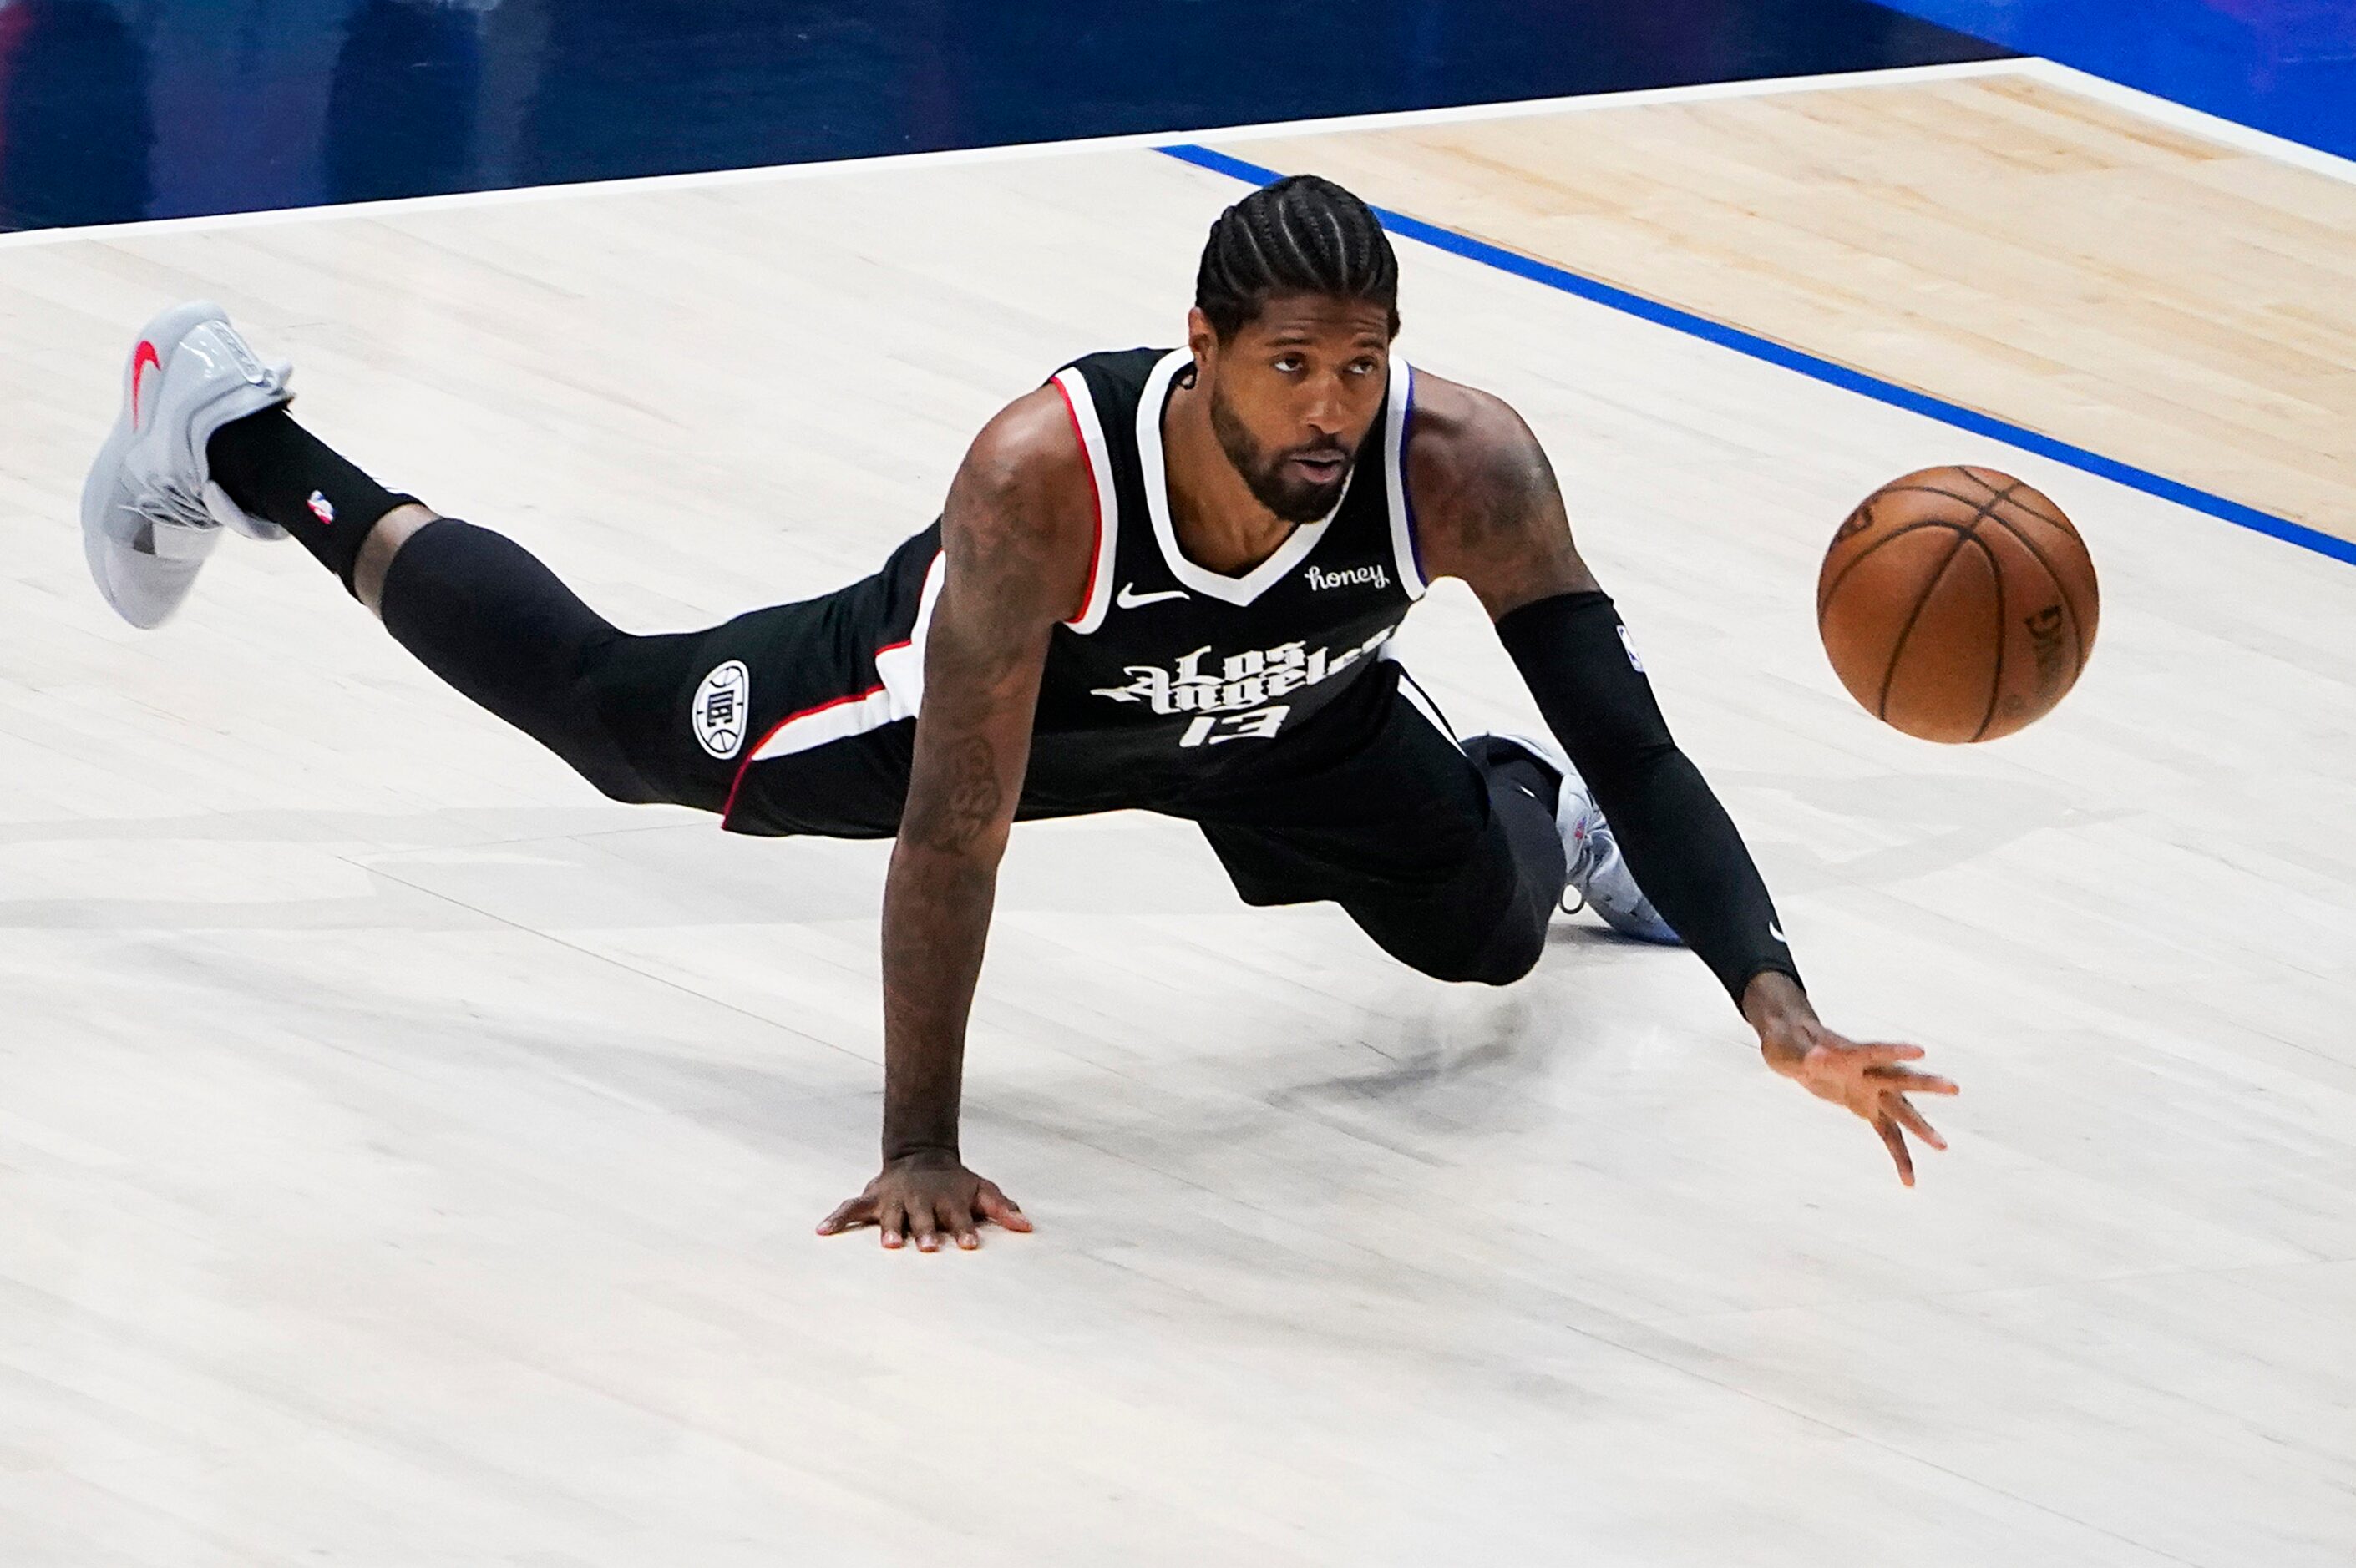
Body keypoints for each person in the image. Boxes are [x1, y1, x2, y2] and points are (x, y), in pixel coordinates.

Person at [79, 175, 1956, 1252]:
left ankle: (1524, 827)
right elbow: (955, 826)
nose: (1328, 409)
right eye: (1289, 366)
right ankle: (239, 436)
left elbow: (1634, 721)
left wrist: (1778, 1013)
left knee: (1484, 941)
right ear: (1203, 351)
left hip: (1283, 708)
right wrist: (918, 1141)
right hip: (1017, 713)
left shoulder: (1460, 471)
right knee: (615, 722)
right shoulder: (1035, 485)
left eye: (1360, 367)